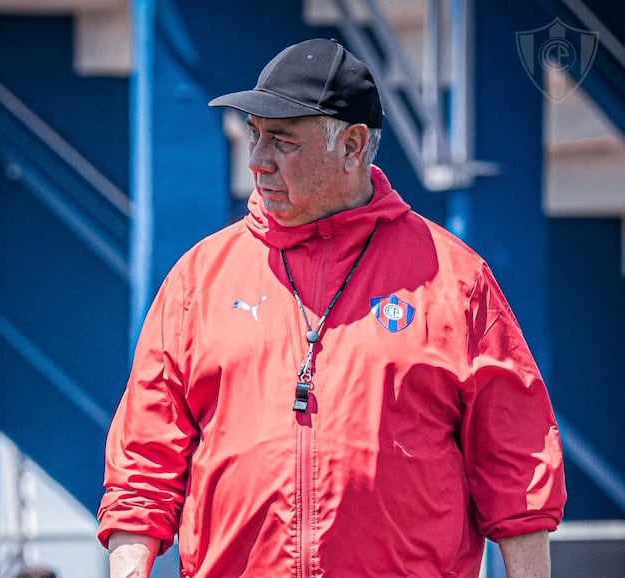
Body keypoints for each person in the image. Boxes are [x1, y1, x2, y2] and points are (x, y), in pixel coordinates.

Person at [97, 38, 566, 577]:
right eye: (254, 136)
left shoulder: (454, 279)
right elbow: (143, 459)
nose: (257, 161)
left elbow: (516, 459)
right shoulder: (199, 277)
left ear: (352, 145)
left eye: (282, 141)